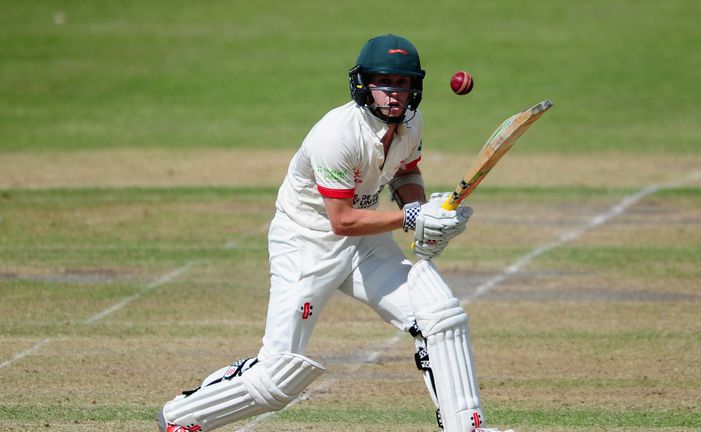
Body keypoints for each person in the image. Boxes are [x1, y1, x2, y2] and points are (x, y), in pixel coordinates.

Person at [158, 34, 513, 432]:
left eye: (402, 83)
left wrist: (426, 215)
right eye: (384, 82)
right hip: (307, 242)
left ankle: (468, 427)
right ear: (364, 84)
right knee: (278, 377)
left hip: (365, 243)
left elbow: (405, 172)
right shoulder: (336, 135)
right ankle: (182, 416)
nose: (394, 93)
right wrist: (412, 216)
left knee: (438, 315)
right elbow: (341, 220)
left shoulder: (412, 123)